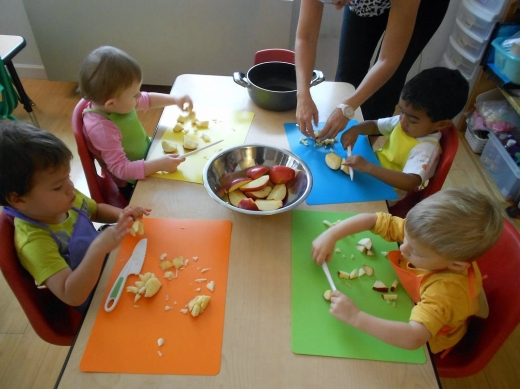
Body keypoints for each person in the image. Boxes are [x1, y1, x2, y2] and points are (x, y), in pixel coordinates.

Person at [311, 188, 503, 353]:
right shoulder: (423, 236)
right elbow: (373, 220)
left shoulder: (447, 293)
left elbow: (414, 338)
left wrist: (356, 317)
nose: (402, 248)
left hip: (433, 338)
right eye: (406, 238)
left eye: (416, 252)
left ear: (456, 265)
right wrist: (332, 234)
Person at [0, 121, 151, 312]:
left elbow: (95, 210)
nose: (70, 188)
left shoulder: (65, 198)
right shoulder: (34, 242)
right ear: (18, 199)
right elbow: (71, 294)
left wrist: (122, 215)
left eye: (68, 178)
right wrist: (98, 249)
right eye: (57, 186)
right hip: (93, 297)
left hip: (110, 267)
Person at [295, 0, 451, 140]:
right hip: (365, 4)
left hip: (423, 5)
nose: (337, 7)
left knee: (386, 86)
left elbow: (388, 60)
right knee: (347, 76)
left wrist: (347, 109)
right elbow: (305, 38)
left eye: (340, 0)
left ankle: (365, 146)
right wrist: (303, 94)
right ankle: (339, 138)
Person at [79, 46, 193, 200]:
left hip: (147, 155)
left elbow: (147, 99)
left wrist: (174, 99)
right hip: (132, 181)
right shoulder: (101, 129)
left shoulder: (119, 104)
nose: (139, 95)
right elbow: (121, 169)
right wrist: (159, 165)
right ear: (111, 104)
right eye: (134, 94)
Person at [340, 67, 468, 201]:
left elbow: (410, 182)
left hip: (388, 192)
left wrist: (368, 167)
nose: (402, 120)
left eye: (412, 120)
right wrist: (356, 129)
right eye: (401, 111)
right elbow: (375, 126)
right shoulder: (406, 121)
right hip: (372, 171)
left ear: (440, 124)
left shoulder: (426, 149)